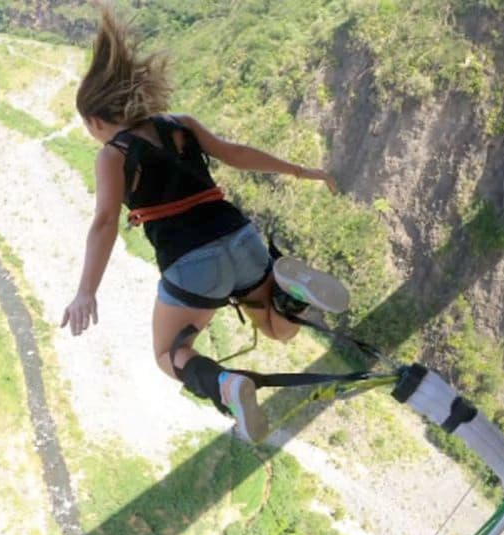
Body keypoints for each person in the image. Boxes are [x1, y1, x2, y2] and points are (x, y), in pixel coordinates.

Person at [61, 8, 349, 443]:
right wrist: (301, 171)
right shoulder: (182, 126)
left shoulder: (113, 154)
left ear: (96, 121)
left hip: (193, 264)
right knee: (276, 329)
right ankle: (295, 296)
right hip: (242, 239)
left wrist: (86, 291)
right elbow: (237, 154)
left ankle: (226, 385)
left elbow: (104, 224)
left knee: (168, 353)